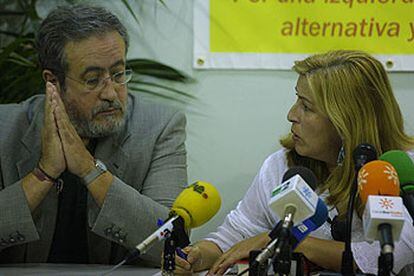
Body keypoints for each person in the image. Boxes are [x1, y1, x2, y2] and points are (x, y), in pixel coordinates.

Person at [174, 50, 414, 275]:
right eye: (297, 99)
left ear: (345, 122)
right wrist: (199, 255)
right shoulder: (284, 166)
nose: (291, 114)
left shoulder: (397, 170)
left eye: (306, 107)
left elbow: (398, 251)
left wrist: (295, 241)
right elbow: (237, 234)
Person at [0, 4, 187, 266]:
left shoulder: (159, 128)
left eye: (119, 74)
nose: (111, 93)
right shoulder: (5, 128)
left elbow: (171, 242)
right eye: (92, 79)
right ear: (53, 81)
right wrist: (43, 174)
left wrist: (90, 171)